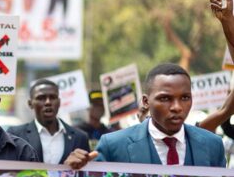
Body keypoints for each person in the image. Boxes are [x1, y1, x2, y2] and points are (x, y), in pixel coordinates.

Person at [64, 63, 226, 169]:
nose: (177, 107)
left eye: (184, 98)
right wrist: (69, 171)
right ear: (146, 102)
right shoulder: (113, 145)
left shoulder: (213, 145)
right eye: (165, 98)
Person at [7, 79, 89, 164]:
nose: (48, 102)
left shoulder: (80, 137)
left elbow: (85, 174)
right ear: (30, 103)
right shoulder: (15, 135)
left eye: (53, 97)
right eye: (41, 98)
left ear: (59, 102)